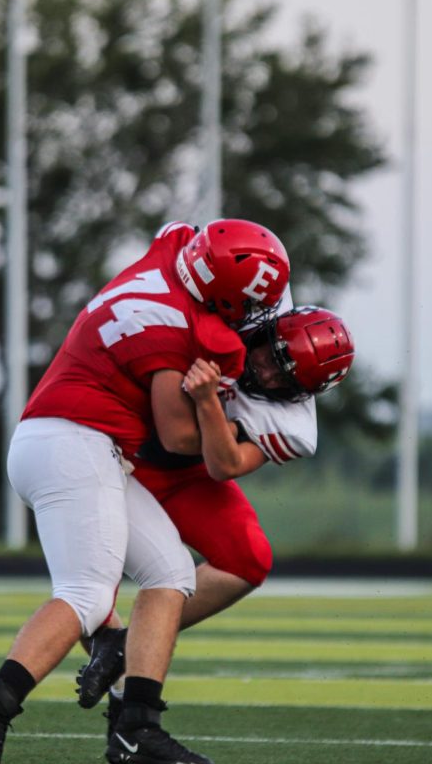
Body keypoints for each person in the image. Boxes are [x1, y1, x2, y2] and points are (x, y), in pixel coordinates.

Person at [0, 219, 290, 764]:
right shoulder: (177, 328)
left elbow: (175, 229)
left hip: (67, 440)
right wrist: (211, 400)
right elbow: (180, 439)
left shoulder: (172, 255)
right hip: (75, 443)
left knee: (171, 573)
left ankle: (136, 724)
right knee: (85, 595)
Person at [74, 306, 356, 722]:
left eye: (286, 380)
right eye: (270, 356)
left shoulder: (294, 427)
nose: (267, 375)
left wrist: (207, 399)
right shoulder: (252, 302)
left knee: (248, 557)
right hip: (114, 434)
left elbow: (224, 466)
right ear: (265, 328)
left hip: (185, 466)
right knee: (92, 586)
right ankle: (108, 692)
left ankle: (123, 654)